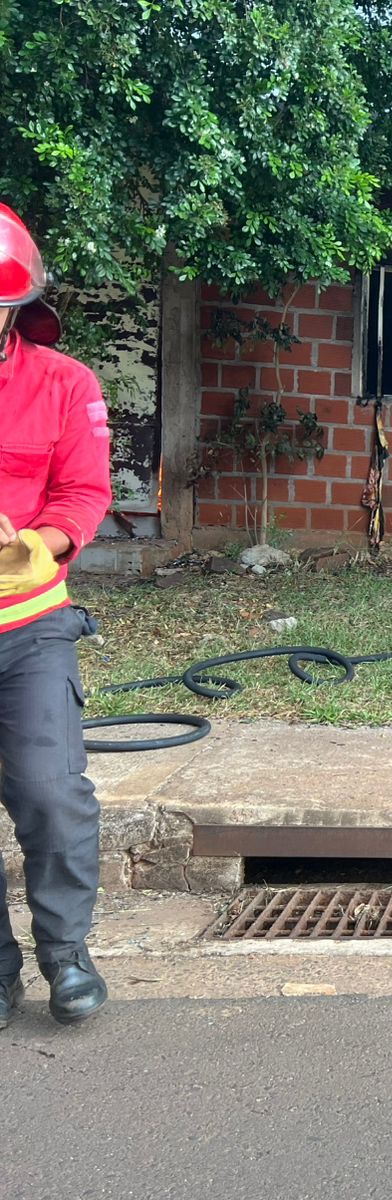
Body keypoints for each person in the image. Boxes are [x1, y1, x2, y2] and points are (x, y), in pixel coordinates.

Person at [0, 202, 114, 1027]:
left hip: (29, 624)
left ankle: (66, 954)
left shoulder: (65, 384)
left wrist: (42, 543)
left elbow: (83, 493)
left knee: (48, 791)